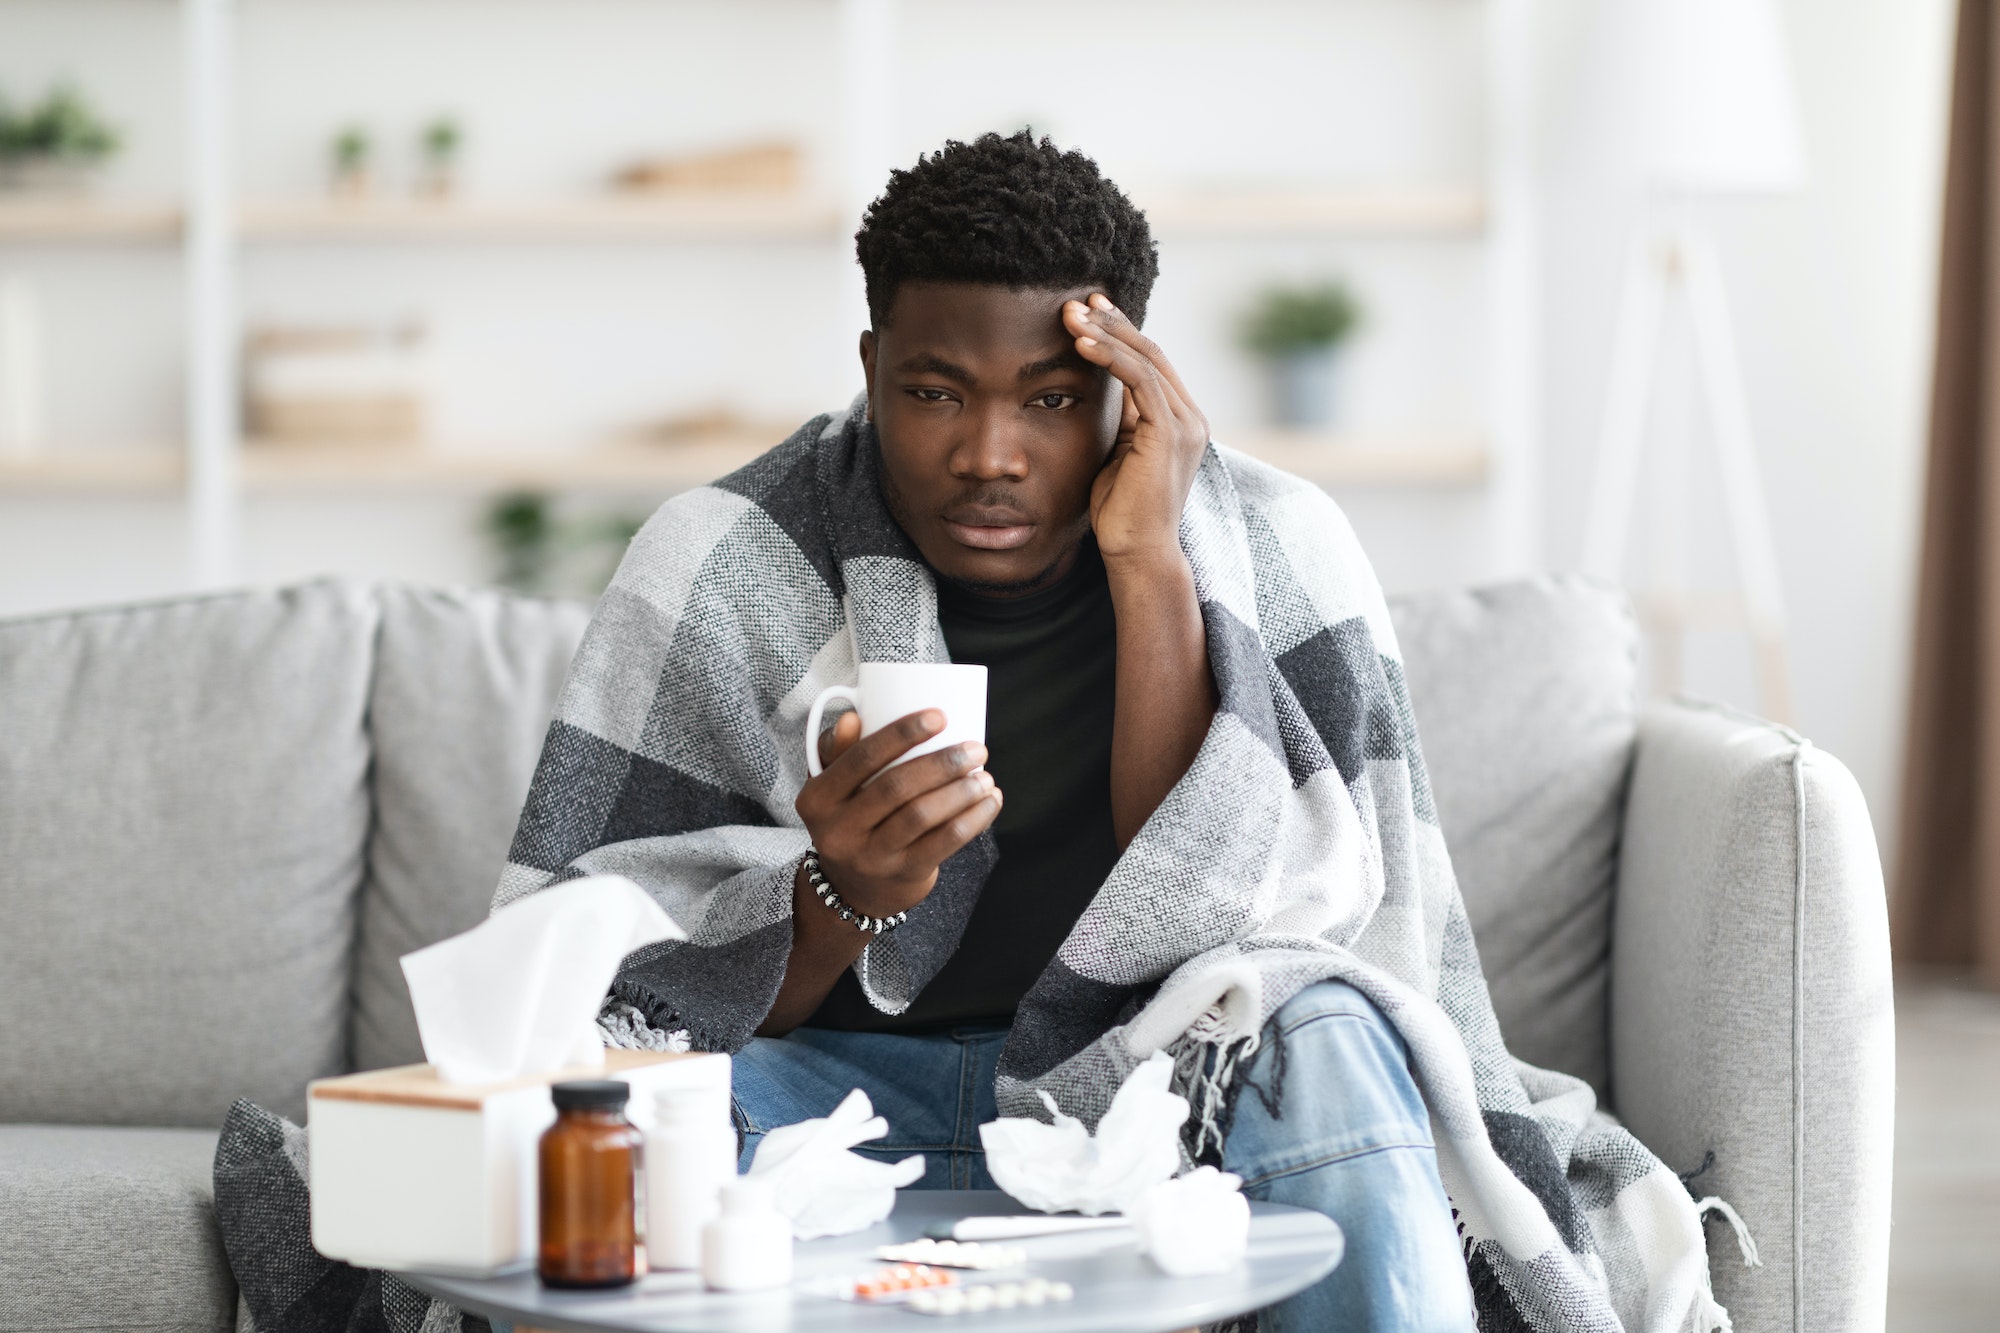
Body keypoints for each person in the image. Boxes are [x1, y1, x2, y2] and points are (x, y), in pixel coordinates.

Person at [494, 132, 1710, 1333]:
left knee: (1336, 1038)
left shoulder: (1279, 545)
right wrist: (840, 893)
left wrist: (1146, 561)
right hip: (835, 1098)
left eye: (1051, 399)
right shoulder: (724, 557)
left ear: (1128, 389)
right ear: (868, 365)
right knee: (593, 1143)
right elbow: (596, 989)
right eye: (931, 392)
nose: (988, 456)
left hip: (1162, 1096)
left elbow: (1265, 933)